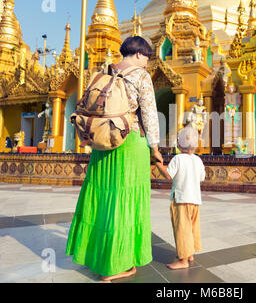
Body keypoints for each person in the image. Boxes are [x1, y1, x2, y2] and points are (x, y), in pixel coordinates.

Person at [65, 36, 163, 282]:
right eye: (147, 58)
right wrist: (155, 147)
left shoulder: (104, 72)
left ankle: (97, 258)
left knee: (101, 198)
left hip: (103, 142)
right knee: (125, 200)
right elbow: (150, 114)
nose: (147, 64)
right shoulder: (141, 76)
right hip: (130, 143)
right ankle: (116, 264)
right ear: (140, 54)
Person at [156, 126, 205, 270]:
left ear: (178, 145)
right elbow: (202, 177)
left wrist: (158, 164)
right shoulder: (198, 160)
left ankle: (183, 260)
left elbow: (168, 175)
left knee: (182, 228)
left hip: (181, 199)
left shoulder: (177, 158)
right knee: (192, 227)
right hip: (195, 200)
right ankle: (190, 254)